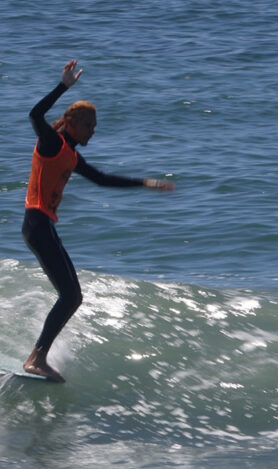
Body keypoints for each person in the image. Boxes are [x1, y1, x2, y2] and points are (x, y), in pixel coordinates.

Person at [22, 60, 175, 382]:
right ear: (74, 123)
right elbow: (35, 115)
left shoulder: (72, 155)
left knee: (73, 296)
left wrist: (144, 183)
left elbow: (102, 179)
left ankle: (38, 356)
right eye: (91, 125)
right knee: (71, 296)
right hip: (37, 224)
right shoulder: (52, 143)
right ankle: (36, 358)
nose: (95, 130)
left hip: (44, 226)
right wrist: (63, 87)